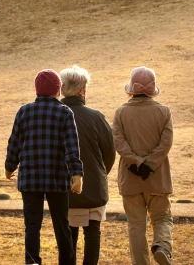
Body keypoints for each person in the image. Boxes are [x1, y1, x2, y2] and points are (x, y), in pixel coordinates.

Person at [5, 69, 84, 265]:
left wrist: (9, 166)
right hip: (57, 179)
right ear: (58, 90)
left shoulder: (24, 111)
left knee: (32, 224)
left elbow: (14, 142)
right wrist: (77, 175)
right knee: (61, 225)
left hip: (30, 180)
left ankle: (32, 262)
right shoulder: (65, 113)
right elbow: (71, 147)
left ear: (37, 90)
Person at [112, 66, 174, 265]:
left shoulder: (121, 112)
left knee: (136, 226)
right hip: (158, 179)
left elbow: (118, 142)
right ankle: (162, 246)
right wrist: (150, 164)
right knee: (162, 218)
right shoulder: (164, 111)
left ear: (132, 88)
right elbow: (166, 143)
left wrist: (136, 162)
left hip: (131, 180)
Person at [60, 65, 115, 265]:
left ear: (62, 89)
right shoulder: (96, 117)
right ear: (82, 90)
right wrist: (99, 174)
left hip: (63, 189)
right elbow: (109, 152)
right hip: (93, 187)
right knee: (93, 232)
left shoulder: (55, 116)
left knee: (69, 234)